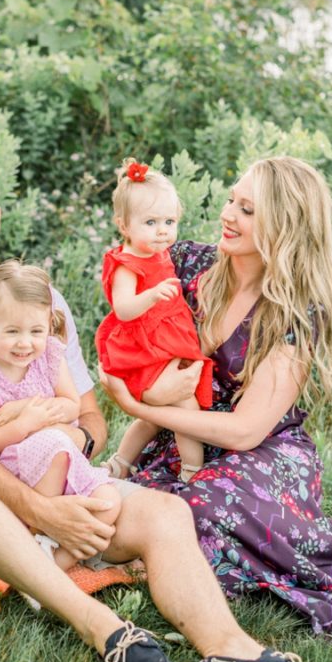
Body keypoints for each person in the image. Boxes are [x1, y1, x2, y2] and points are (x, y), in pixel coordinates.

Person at [0, 153, 332, 662]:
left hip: (53, 477)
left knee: (167, 511)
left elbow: (92, 420)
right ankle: (108, 632)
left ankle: (232, 654)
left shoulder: (41, 301)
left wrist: (71, 446)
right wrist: (43, 511)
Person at [101, 156, 332, 633]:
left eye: (248, 209)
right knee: (129, 505)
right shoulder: (189, 267)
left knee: (196, 507)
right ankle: (161, 551)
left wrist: (137, 405)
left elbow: (245, 430)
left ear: (284, 226)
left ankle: (177, 557)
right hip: (181, 437)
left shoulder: (295, 314)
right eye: (231, 200)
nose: (228, 215)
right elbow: (127, 329)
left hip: (264, 452)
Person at [0, 260, 123, 582]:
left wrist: (26, 408)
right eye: (12, 331)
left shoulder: (49, 359)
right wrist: (24, 425)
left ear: (48, 325)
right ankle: (36, 530)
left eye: (36, 331)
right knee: (56, 442)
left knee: (108, 504)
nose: (25, 343)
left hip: (64, 461)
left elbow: (73, 406)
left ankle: (46, 572)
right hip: (17, 475)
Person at [95, 158, 213, 484]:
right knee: (185, 407)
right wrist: (152, 296)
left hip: (163, 344)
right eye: (150, 222)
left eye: (169, 221)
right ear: (124, 226)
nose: (162, 230)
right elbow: (123, 309)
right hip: (143, 351)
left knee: (155, 420)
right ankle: (192, 473)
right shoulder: (127, 263)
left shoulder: (159, 252)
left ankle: (121, 462)